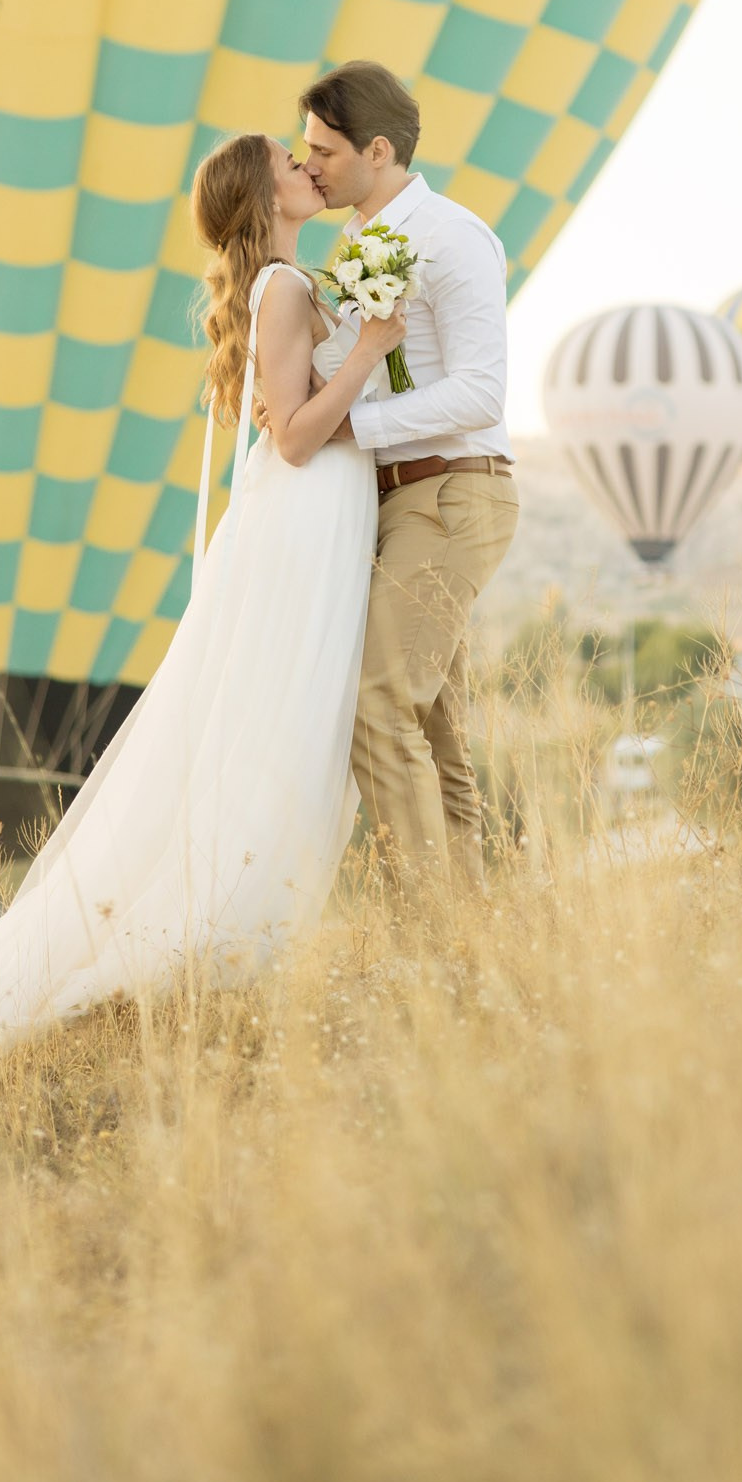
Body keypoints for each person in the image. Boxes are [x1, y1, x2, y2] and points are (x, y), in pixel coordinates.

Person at [0, 130, 404, 1083]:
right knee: (283, 720)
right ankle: (211, 935)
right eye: (288, 162)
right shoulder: (282, 288)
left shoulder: (289, 284)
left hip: (314, 515)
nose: (307, 167)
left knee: (279, 721)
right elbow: (296, 438)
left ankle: (227, 928)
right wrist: (370, 349)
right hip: (305, 511)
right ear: (262, 196)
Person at [299, 60, 518, 897]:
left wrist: (352, 428)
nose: (309, 164)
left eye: (324, 151)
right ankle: (471, 934)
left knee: (377, 706)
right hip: (394, 502)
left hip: (454, 492)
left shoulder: (451, 237)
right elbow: (362, 368)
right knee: (435, 730)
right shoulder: (358, 245)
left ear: (378, 150)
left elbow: (481, 392)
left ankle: (429, 928)